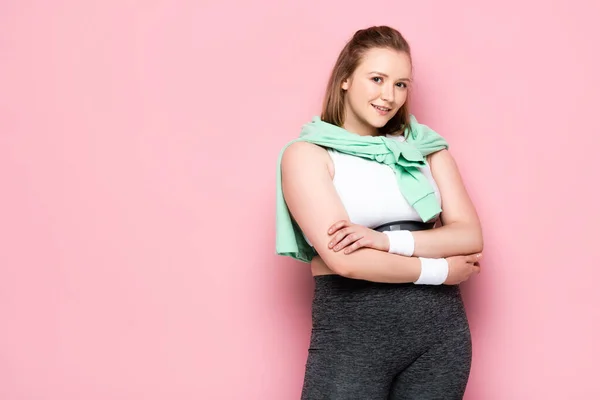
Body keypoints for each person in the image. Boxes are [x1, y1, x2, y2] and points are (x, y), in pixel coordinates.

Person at [275, 25, 483, 400]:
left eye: (401, 84)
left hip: (439, 337)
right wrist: (441, 269)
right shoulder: (308, 154)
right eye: (377, 79)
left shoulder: (426, 148)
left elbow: (469, 236)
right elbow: (345, 261)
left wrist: (383, 240)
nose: (389, 96)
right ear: (345, 80)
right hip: (352, 341)